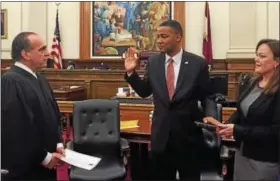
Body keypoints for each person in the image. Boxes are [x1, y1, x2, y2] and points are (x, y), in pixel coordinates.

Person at [123, 20, 217, 180]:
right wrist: (131, 73)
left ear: (178, 36)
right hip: (161, 136)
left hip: (188, 135)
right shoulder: (153, 62)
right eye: (157, 36)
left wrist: (210, 115)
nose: (159, 40)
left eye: (164, 36)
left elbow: (208, 96)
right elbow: (145, 91)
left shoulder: (197, 63)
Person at [205, 39, 280, 180]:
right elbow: (241, 111)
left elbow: (275, 132)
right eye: (256, 55)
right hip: (242, 155)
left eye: (262, 56)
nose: (256, 59)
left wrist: (237, 130)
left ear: (277, 61)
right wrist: (225, 125)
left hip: (265, 160)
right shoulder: (252, 82)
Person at [1, 32, 65, 180]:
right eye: (42, 49)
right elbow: (16, 128)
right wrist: (44, 157)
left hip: (50, 161)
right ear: (26, 54)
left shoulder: (40, 78)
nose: (48, 54)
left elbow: (53, 115)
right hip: (28, 168)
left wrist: (58, 143)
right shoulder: (10, 81)